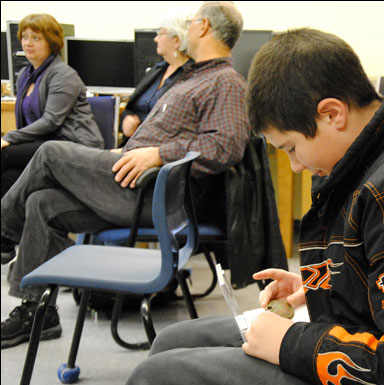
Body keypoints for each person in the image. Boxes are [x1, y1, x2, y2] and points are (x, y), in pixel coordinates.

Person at [123, 28, 384, 385]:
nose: (295, 166)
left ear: (333, 113)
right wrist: (321, 280)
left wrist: (287, 344)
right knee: (173, 342)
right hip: (365, 336)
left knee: (154, 379)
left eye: (292, 148)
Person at [0, 1, 249, 349]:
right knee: (42, 203)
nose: (184, 28)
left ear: (203, 27)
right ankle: (36, 314)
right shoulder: (191, 78)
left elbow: (227, 147)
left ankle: (2, 232)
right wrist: (134, 149)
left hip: (154, 198)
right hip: (131, 188)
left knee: (50, 153)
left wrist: (158, 153)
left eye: (190, 22)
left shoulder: (225, 82)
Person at [1, 14, 103, 204]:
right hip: (44, 144)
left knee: (4, 155)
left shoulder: (63, 75)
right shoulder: (25, 74)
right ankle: (11, 232)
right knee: (7, 179)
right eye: (24, 37)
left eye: (36, 38)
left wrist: (9, 139)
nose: (28, 43)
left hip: (71, 145)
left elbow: (51, 121)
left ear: (51, 42)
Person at [118, 9, 194, 147]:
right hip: (130, 146)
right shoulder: (157, 70)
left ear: (176, 40)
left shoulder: (192, 77)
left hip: (153, 152)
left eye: (161, 33)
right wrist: (127, 118)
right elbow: (132, 107)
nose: (155, 38)